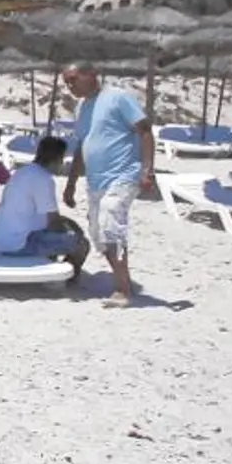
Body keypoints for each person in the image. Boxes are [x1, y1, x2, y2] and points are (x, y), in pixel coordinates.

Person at [61, 62, 154, 308]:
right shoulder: (82, 107)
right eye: (66, 82)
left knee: (111, 223)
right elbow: (82, 145)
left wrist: (147, 170)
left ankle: (122, 290)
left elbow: (145, 131)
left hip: (123, 174)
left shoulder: (118, 98)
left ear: (91, 75)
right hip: (95, 180)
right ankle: (123, 278)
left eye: (73, 79)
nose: (70, 86)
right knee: (98, 234)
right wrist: (70, 183)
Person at [0, 135, 90, 282]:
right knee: (81, 244)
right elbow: (53, 221)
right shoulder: (43, 179)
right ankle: (65, 280)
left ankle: (53, 268)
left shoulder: (22, 172)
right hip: (20, 245)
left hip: (4, 241)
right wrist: (75, 229)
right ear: (58, 158)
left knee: (53, 233)